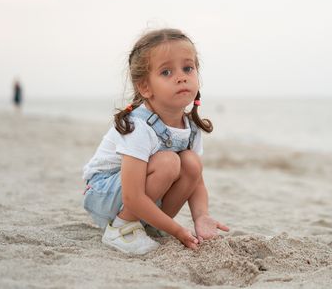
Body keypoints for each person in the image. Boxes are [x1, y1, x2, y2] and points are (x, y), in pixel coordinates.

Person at [82, 28, 229, 255]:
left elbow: (196, 181)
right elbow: (132, 195)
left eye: (188, 68)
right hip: (104, 194)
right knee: (168, 162)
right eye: (167, 72)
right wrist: (178, 230)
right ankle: (121, 228)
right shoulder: (139, 126)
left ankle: (148, 226)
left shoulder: (190, 127)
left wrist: (201, 216)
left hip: (138, 198)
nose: (181, 76)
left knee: (190, 162)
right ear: (145, 87)